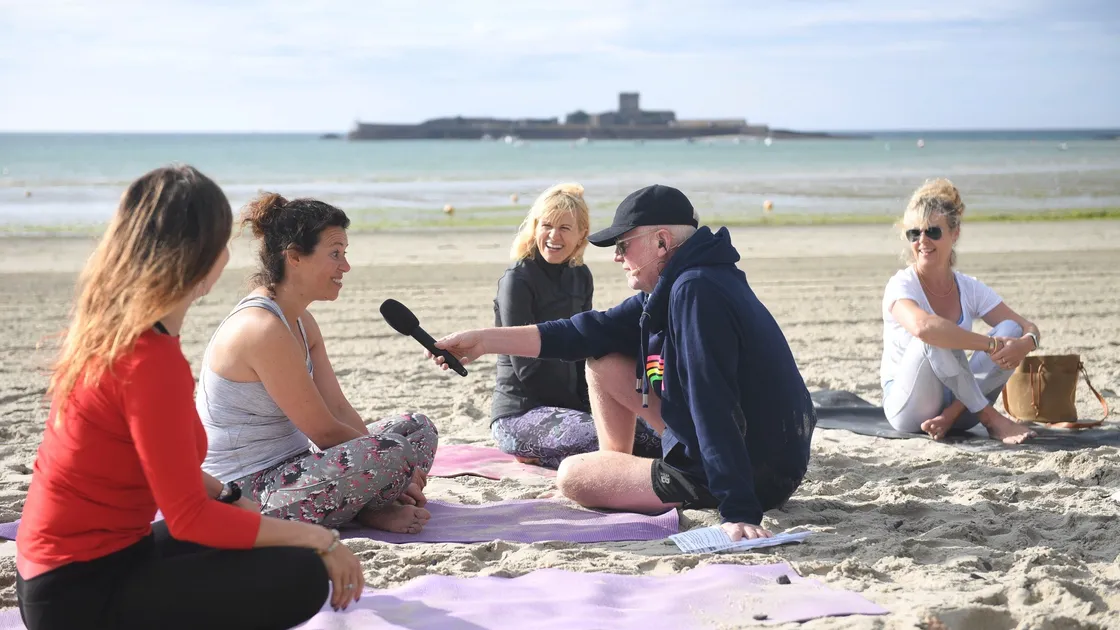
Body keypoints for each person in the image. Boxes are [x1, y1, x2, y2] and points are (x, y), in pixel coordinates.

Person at [16, 166, 363, 630]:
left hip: (83, 564)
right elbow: (188, 521)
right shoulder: (149, 362)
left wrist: (230, 493)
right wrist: (323, 540)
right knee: (303, 571)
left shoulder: (124, 335)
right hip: (77, 591)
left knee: (271, 541)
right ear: (202, 257)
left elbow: (160, 463)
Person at [429, 184, 816, 540]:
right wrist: (483, 341)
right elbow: (584, 332)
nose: (616, 257)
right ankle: (619, 468)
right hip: (766, 456)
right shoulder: (685, 282)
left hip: (754, 475)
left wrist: (739, 510)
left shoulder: (695, 294)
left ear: (662, 242)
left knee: (572, 477)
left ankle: (627, 475)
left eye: (623, 245)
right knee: (604, 361)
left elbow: (712, 400)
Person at [197, 192, 438, 535]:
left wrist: (389, 471)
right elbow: (324, 431)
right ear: (294, 257)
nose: (345, 266)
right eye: (335, 254)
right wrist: (393, 472)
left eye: (345, 254)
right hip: (249, 492)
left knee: (416, 427)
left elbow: (337, 407)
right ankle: (370, 508)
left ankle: (367, 504)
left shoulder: (300, 320)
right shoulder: (262, 329)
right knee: (393, 453)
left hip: (294, 465)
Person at [491, 182, 661, 468]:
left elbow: (587, 346)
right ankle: (543, 454)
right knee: (602, 439)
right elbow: (527, 369)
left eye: (565, 228)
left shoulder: (580, 276)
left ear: (582, 234)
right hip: (521, 412)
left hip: (572, 407)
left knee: (651, 439)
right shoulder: (517, 281)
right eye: (546, 226)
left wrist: (594, 404)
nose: (553, 236)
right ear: (535, 227)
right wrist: (584, 410)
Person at [881, 178, 1038, 444]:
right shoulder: (901, 284)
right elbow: (925, 329)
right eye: (914, 233)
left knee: (1010, 330)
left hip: (962, 409)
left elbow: (1025, 327)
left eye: (933, 232)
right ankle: (990, 418)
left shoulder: (969, 287)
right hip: (908, 409)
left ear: (954, 234)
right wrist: (990, 344)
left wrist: (1026, 344)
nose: (922, 241)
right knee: (932, 334)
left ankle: (956, 416)